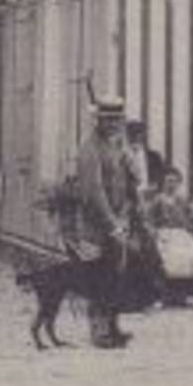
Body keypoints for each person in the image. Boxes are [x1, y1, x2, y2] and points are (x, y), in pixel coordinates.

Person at [76, 96, 133, 348]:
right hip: (96, 225)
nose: (112, 124)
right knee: (98, 276)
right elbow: (93, 191)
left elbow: (129, 183)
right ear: (98, 120)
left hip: (119, 221)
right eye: (107, 119)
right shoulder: (89, 148)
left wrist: (124, 217)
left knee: (116, 276)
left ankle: (113, 324)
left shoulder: (119, 145)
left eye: (116, 120)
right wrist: (112, 223)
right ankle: (98, 330)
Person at [151, 166, 193, 304]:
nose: (171, 184)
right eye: (168, 181)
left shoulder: (183, 200)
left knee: (190, 255)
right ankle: (164, 295)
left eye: (174, 181)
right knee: (168, 258)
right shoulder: (158, 200)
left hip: (182, 233)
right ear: (163, 183)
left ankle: (187, 294)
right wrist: (154, 231)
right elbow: (149, 219)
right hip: (164, 233)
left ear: (179, 183)